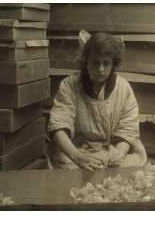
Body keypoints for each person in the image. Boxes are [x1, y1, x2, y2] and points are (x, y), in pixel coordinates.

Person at [48, 32, 147, 171]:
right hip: (78, 148)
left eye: (106, 63)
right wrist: (77, 157)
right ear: (86, 61)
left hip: (112, 148)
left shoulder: (123, 88)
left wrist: (119, 153)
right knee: (64, 160)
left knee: (136, 159)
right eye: (95, 62)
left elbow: (128, 129)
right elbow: (58, 126)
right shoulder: (69, 85)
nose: (100, 69)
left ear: (113, 64)